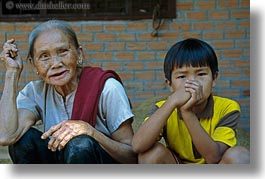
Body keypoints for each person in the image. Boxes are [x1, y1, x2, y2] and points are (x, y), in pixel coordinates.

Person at [0, 20, 137, 164]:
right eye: (44, 56)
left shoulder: (108, 88)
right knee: (23, 140)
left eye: (63, 51)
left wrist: (92, 132)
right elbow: (6, 136)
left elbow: (131, 156)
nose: (56, 63)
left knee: (80, 144)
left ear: (79, 54)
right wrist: (12, 72)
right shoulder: (35, 92)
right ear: (33, 64)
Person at [131, 38, 250, 164]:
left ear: (214, 78)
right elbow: (138, 146)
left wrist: (187, 112)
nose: (192, 82)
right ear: (170, 84)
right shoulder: (163, 108)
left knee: (239, 156)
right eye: (182, 76)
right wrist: (171, 102)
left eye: (201, 74)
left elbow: (214, 158)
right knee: (150, 154)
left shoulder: (227, 107)